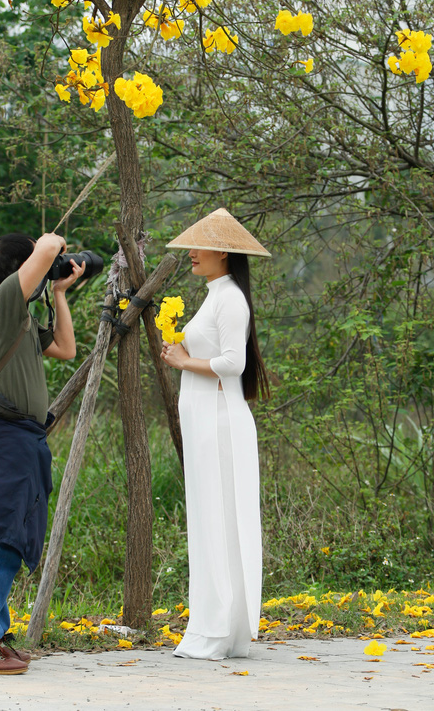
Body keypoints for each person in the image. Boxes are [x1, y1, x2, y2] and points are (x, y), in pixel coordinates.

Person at [0, 232, 83, 675]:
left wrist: (60, 292)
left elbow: (66, 349)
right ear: (25, 269)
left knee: (7, 538)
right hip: (1, 438)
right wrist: (54, 246)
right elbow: (46, 245)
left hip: (19, 440)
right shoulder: (3, 304)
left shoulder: (21, 319)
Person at [161, 207, 271, 660]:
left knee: (221, 519)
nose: (191, 253)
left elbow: (233, 364)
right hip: (204, 423)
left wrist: (184, 362)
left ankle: (220, 630)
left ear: (222, 253)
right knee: (208, 520)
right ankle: (216, 627)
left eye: (198, 246)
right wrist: (180, 344)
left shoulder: (230, 299)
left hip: (221, 425)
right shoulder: (215, 294)